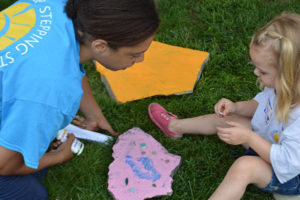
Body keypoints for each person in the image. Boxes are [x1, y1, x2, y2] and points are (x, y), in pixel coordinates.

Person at [0, 0, 159, 199]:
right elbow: (4, 164)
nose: (141, 60)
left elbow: (70, 60)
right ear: (100, 46)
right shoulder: (50, 94)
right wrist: (57, 157)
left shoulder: (68, 8)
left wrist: (94, 114)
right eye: (134, 54)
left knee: (34, 146)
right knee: (31, 192)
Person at [148, 12, 300, 199]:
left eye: (263, 71)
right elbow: (262, 105)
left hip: (291, 176)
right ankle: (174, 127)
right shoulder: (282, 87)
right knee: (228, 119)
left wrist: (249, 138)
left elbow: (287, 161)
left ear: (290, 75)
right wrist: (235, 107)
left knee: (245, 167)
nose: (255, 72)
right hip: (270, 144)